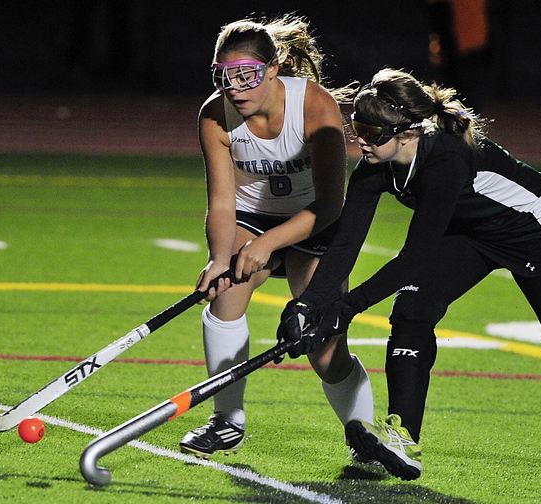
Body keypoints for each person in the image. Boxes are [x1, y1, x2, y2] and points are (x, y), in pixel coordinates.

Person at [276, 67, 541, 480]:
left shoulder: (447, 159)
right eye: (358, 126)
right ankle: (403, 440)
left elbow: (415, 255)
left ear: (408, 133)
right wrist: (308, 304)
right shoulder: (373, 168)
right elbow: (345, 243)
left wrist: (346, 307)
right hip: (464, 233)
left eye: (373, 131)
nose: (361, 138)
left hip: (531, 234)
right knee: (411, 312)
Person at [179, 14, 374, 460]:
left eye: (247, 75)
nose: (236, 88)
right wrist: (219, 258)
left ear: (272, 68)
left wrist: (267, 246)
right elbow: (224, 203)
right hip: (252, 214)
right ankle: (227, 422)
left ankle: (364, 436)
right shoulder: (215, 115)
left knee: (324, 350)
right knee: (224, 297)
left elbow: (330, 205)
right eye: (225, 77)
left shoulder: (315, 106)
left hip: (314, 220)